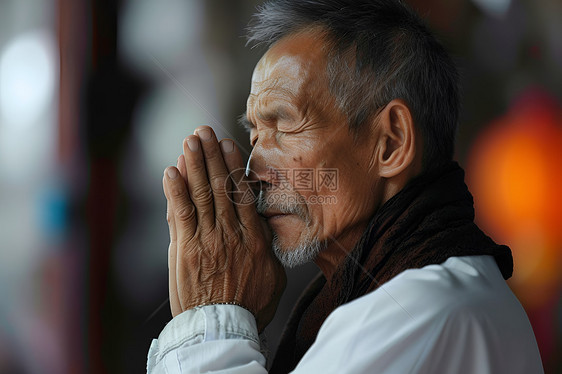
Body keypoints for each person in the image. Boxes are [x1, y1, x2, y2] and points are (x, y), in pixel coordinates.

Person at [147, 0, 544, 372]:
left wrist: (212, 321)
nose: (253, 172)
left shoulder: (421, 311)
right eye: (254, 135)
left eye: (284, 126)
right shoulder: (417, 295)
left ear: (390, 143)